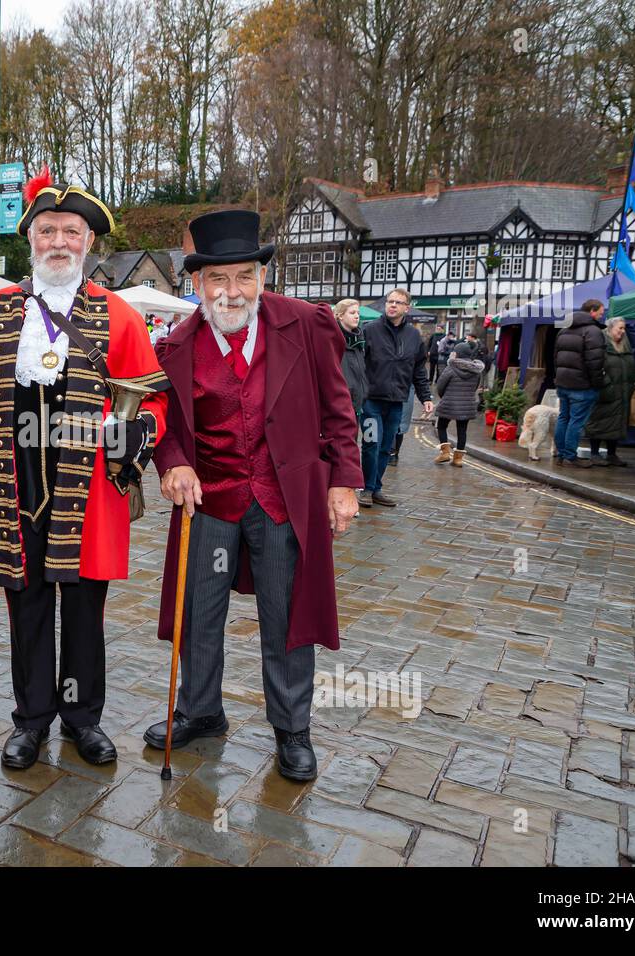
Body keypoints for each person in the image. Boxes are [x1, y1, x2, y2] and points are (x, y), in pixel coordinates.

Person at [0, 170, 167, 771]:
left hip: (88, 493)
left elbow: (154, 402)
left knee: (86, 611)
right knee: (27, 607)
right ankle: (31, 719)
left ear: (89, 243)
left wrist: (141, 433)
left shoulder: (118, 316)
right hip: (15, 492)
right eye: (48, 231)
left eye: (72, 231)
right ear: (32, 241)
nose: (59, 242)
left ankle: (83, 718)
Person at [147, 209, 361, 781]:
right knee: (199, 614)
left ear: (262, 278)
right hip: (209, 502)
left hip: (284, 499)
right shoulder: (175, 346)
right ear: (197, 284)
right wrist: (171, 464)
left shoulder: (306, 325)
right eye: (218, 279)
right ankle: (199, 710)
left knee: (286, 613)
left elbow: (339, 409)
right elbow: (161, 425)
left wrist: (343, 480)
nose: (232, 290)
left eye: (243, 276)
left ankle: (292, 727)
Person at [359, 288, 433, 507]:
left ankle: (376, 488)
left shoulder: (414, 336)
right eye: (389, 301)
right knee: (371, 444)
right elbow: (357, 364)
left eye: (397, 302)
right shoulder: (369, 330)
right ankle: (366, 488)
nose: (392, 305)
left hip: (396, 402)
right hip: (370, 400)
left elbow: (419, 369)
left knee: (385, 447)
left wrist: (426, 396)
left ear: (406, 308)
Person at [552, 298, 607, 468]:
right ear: (592, 311)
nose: (602, 315)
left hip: (563, 383)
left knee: (563, 418)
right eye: (600, 312)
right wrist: (598, 383)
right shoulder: (593, 332)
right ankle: (570, 454)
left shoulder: (564, 330)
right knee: (576, 421)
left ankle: (561, 453)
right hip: (582, 386)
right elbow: (595, 363)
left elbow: (555, 358)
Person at [583, 317, 635, 467]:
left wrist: (634, 382)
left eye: (624, 328)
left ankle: (611, 454)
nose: (623, 331)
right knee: (598, 422)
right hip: (604, 392)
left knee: (617, 423)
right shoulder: (600, 343)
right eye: (620, 328)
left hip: (622, 392)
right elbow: (594, 366)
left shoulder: (625, 345)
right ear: (610, 328)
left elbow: (631, 365)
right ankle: (594, 453)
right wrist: (606, 385)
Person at [433, 341, 485, 466]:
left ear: (458, 353)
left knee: (441, 426)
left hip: (449, 403)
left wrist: (444, 397)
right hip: (467, 404)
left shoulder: (451, 368)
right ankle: (458, 459)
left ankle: (445, 453)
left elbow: (440, 386)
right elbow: (475, 387)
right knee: (462, 430)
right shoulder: (476, 371)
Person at [333, 299, 367, 448]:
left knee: (351, 447)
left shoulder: (359, 340)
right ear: (340, 315)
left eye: (358, 313)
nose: (357, 316)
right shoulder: (332, 339)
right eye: (352, 313)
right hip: (338, 407)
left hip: (356, 406)